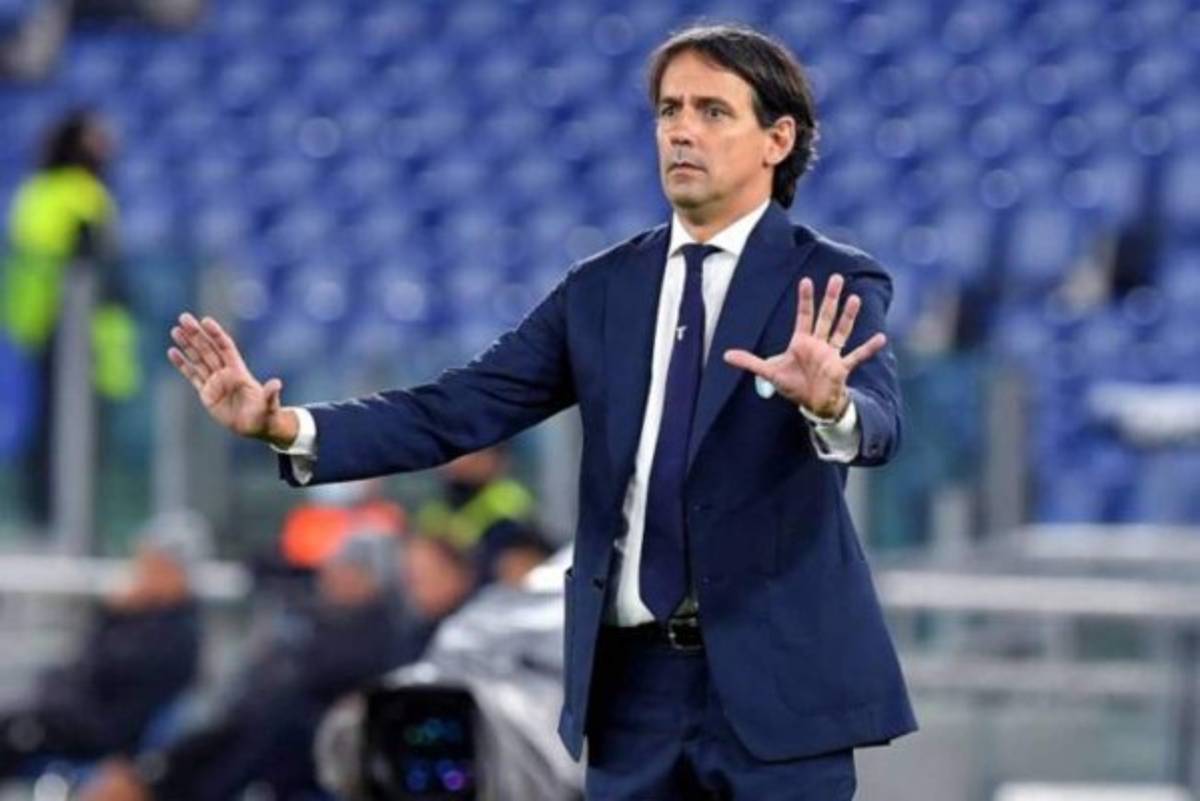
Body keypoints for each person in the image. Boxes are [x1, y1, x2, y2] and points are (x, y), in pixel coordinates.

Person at [167, 23, 916, 800]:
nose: (682, 130)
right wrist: (287, 426)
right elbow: (459, 407)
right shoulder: (602, 289)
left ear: (777, 139)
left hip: (777, 688)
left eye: (713, 111)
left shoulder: (829, 280)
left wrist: (832, 406)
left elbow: (880, 423)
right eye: (669, 110)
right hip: (634, 692)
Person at [80, 532, 423, 801]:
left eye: (350, 570)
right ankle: (154, 776)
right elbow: (261, 566)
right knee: (223, 718)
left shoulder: (380, 630)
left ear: (372, 580)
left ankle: (157, 781)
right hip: (263, 716)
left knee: (261, 725)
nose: (335, 576)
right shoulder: (322, 615)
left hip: (309, 736)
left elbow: (327, 675)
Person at [1, 108, 140, 526]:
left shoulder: (34, 193)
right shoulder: (82, 195)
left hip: (40, 324)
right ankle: (64, 516)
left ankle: (52, 513)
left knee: (52, 425)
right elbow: (84, 261)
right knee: (71, 430)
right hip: (69, 328)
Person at [0, 513, 205, 780]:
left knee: (14, 733)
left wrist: (117, 616)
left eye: (150, 565)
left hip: (100, 734)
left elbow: (104, 670)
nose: (140, 573)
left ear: (174, 572)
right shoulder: (145, 619)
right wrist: (114, 614)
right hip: (78, 716)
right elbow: (88, 662)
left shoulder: (175, 635)